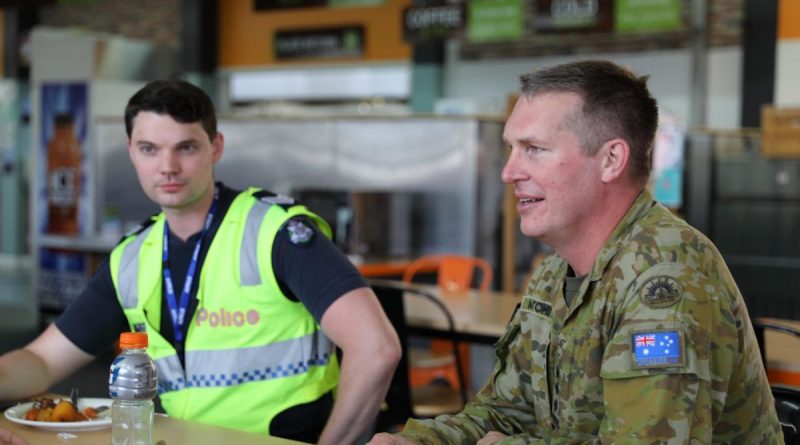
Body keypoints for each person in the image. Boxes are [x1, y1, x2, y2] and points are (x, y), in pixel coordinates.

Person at [369, 60, 783, 444]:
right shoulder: (555, 272)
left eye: (534, 149)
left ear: (610, 160)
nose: (508, 171)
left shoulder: (665, 274)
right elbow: (506, 412)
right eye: (511, 148)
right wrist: (415, 441)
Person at [0, 79, 401, 445]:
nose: (168, 166)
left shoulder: (276, 233)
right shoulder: (132, 258)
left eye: (186, 147)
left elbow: (376, 347)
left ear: (216, 146)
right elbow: (40, 361)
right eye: (149, 149)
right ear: (131, 152)